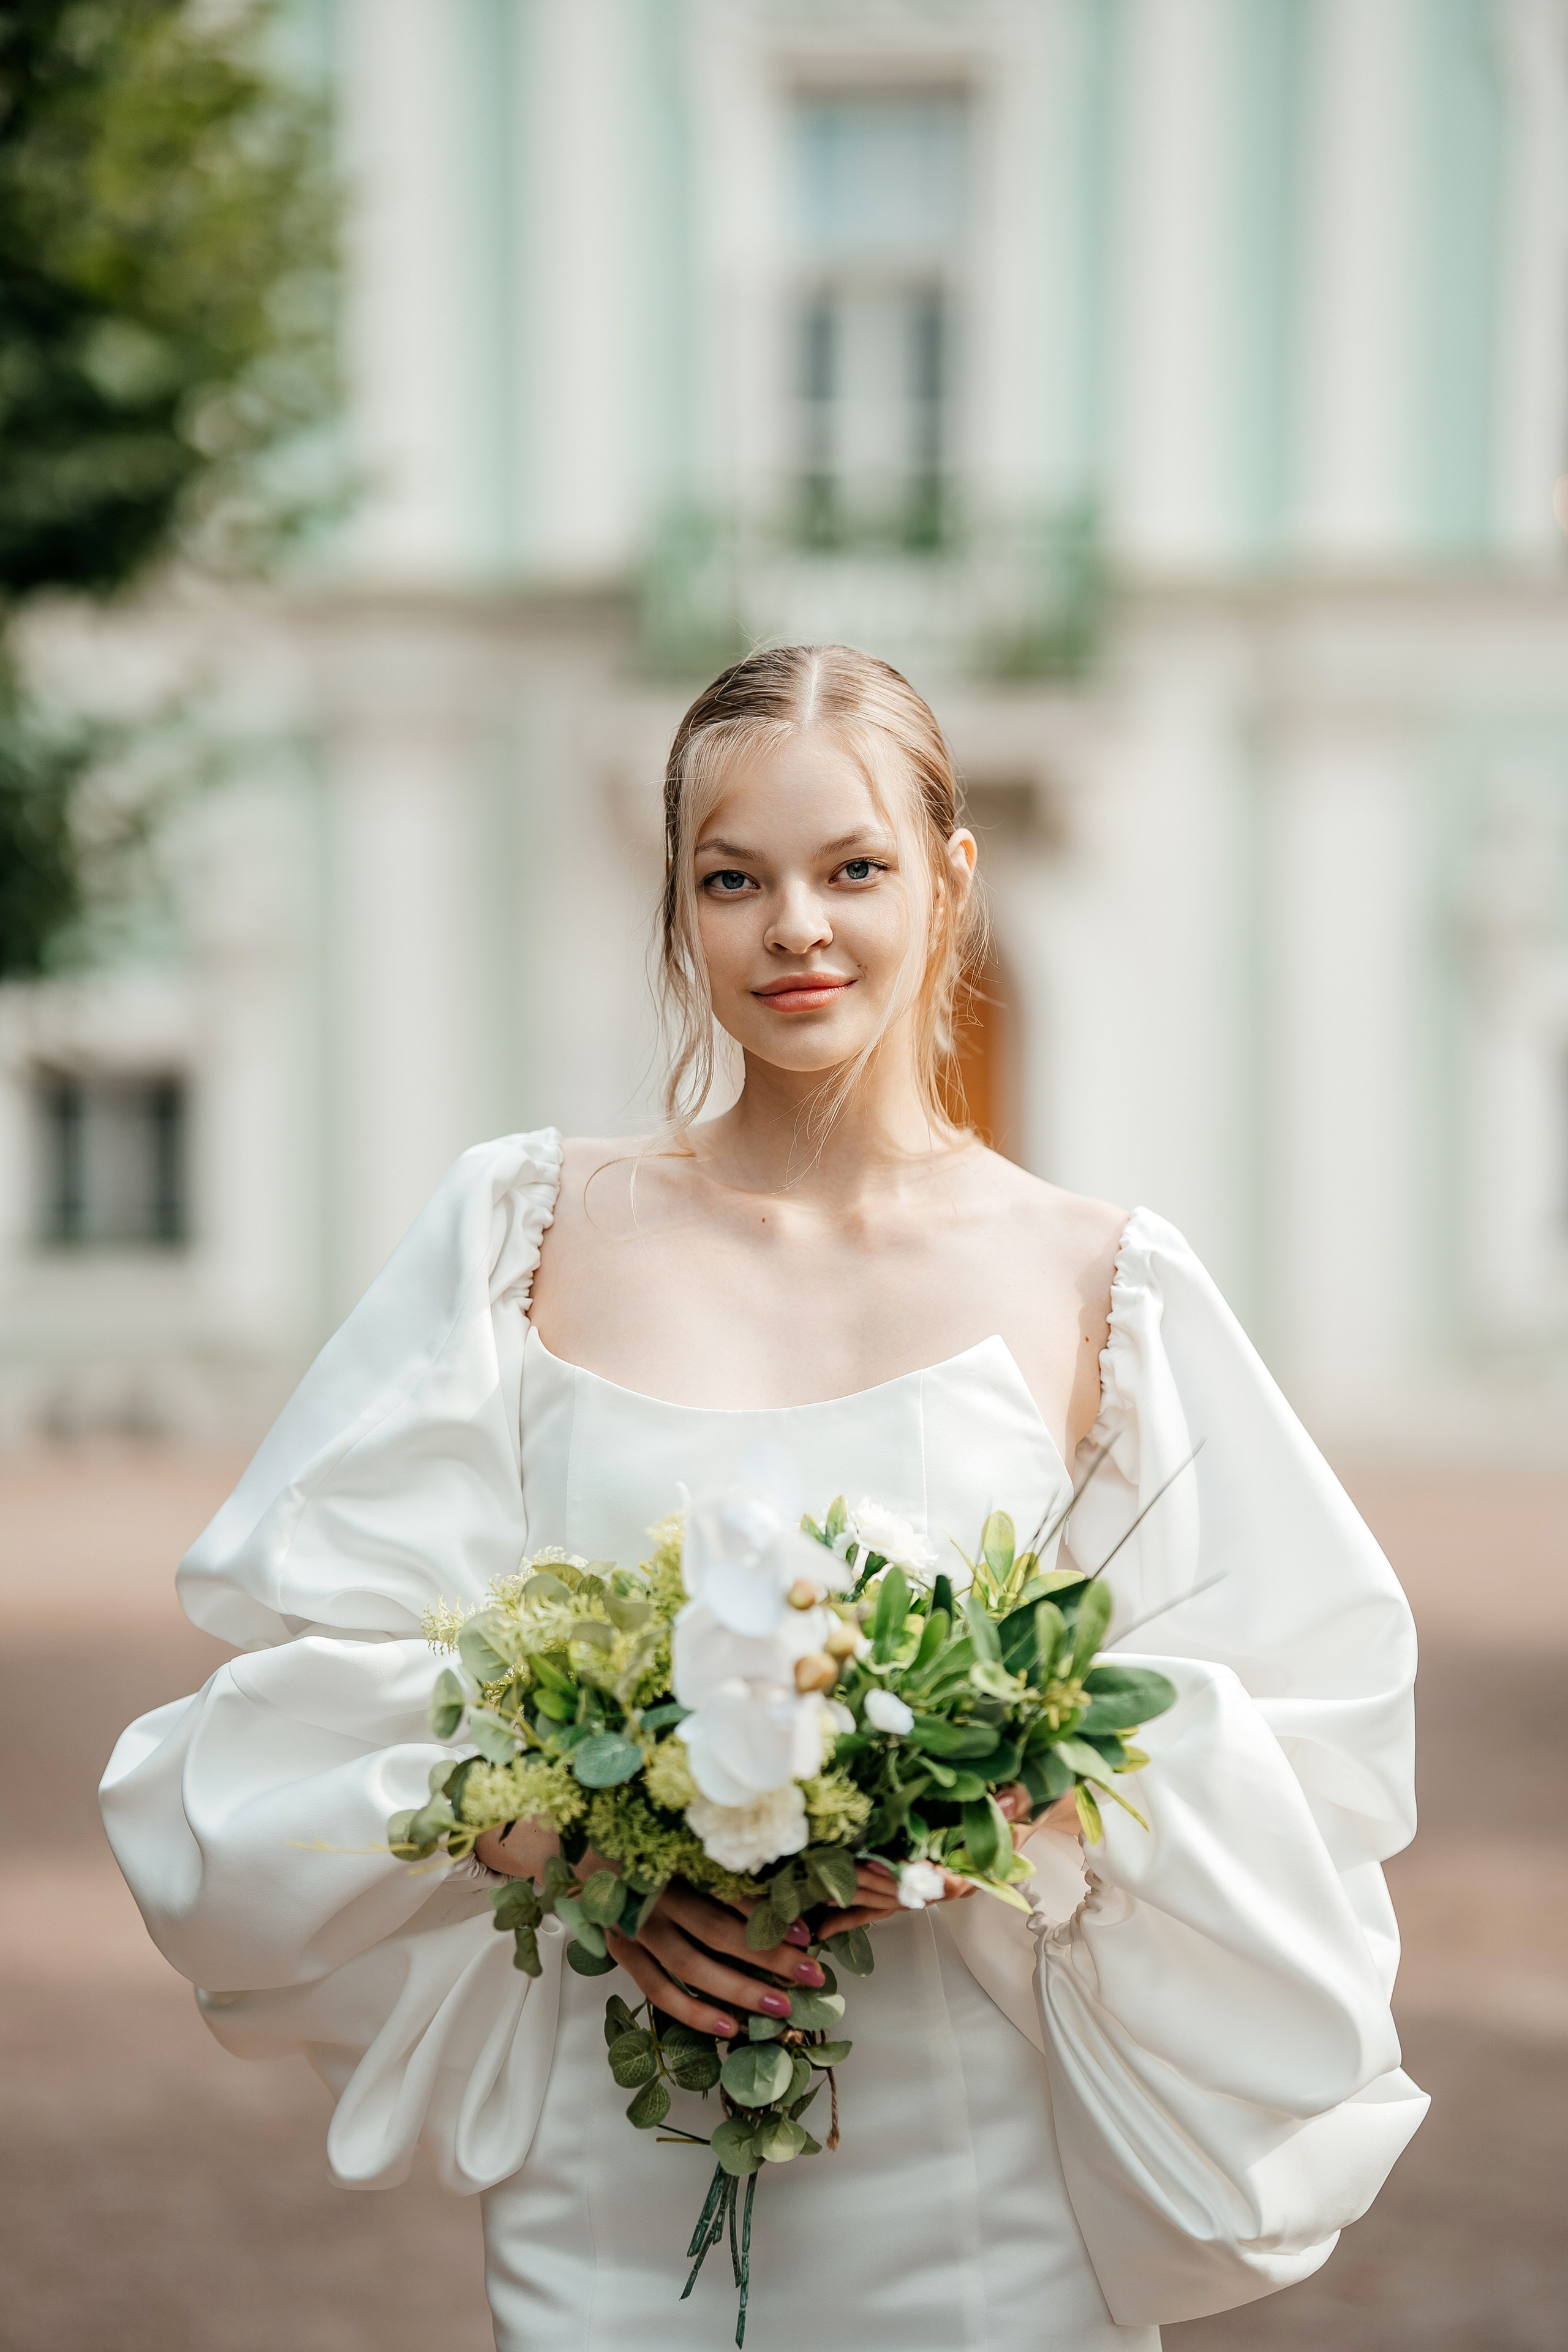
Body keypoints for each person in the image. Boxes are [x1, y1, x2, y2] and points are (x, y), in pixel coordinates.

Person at [102, 644, 1427, 2351]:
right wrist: (574, 1840)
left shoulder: (1107, 1281)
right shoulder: (523, 1233)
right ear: (678, 910)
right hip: (617, 2145)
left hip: (974, 2172)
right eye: (734, 880)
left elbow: (1297, 1726)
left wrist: (1007, 1822)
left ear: (950, 880)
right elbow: (315, 1673)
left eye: (851, 869)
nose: (794, 926)